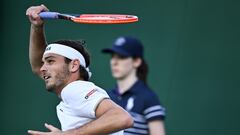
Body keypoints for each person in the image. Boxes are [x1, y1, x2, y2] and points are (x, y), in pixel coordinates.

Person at [26, 5, 133, 135]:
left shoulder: (75, 89)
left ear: (74, 65)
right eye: (44, 63)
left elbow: (122, 118)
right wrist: (36, 26)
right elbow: (38, 67)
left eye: (50, 61)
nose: (42, 68)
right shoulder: (74, 92)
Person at [102, 36, 166, 135]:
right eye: (112, 57)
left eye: (121, 57)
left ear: (137, 61)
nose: (114, 62)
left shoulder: (149, 98)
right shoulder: (105, 96)